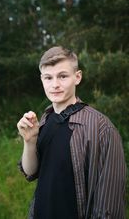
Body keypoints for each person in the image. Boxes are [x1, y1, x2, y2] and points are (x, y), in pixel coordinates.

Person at [17, 46, 127, 219]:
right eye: (48, 77)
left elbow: (109, 205)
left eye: (62, 76)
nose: (55, 84)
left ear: (77, 77)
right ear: (41, 80)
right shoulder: (45, 120)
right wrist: (29, 141)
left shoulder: (101, 128)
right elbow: (31, 173)